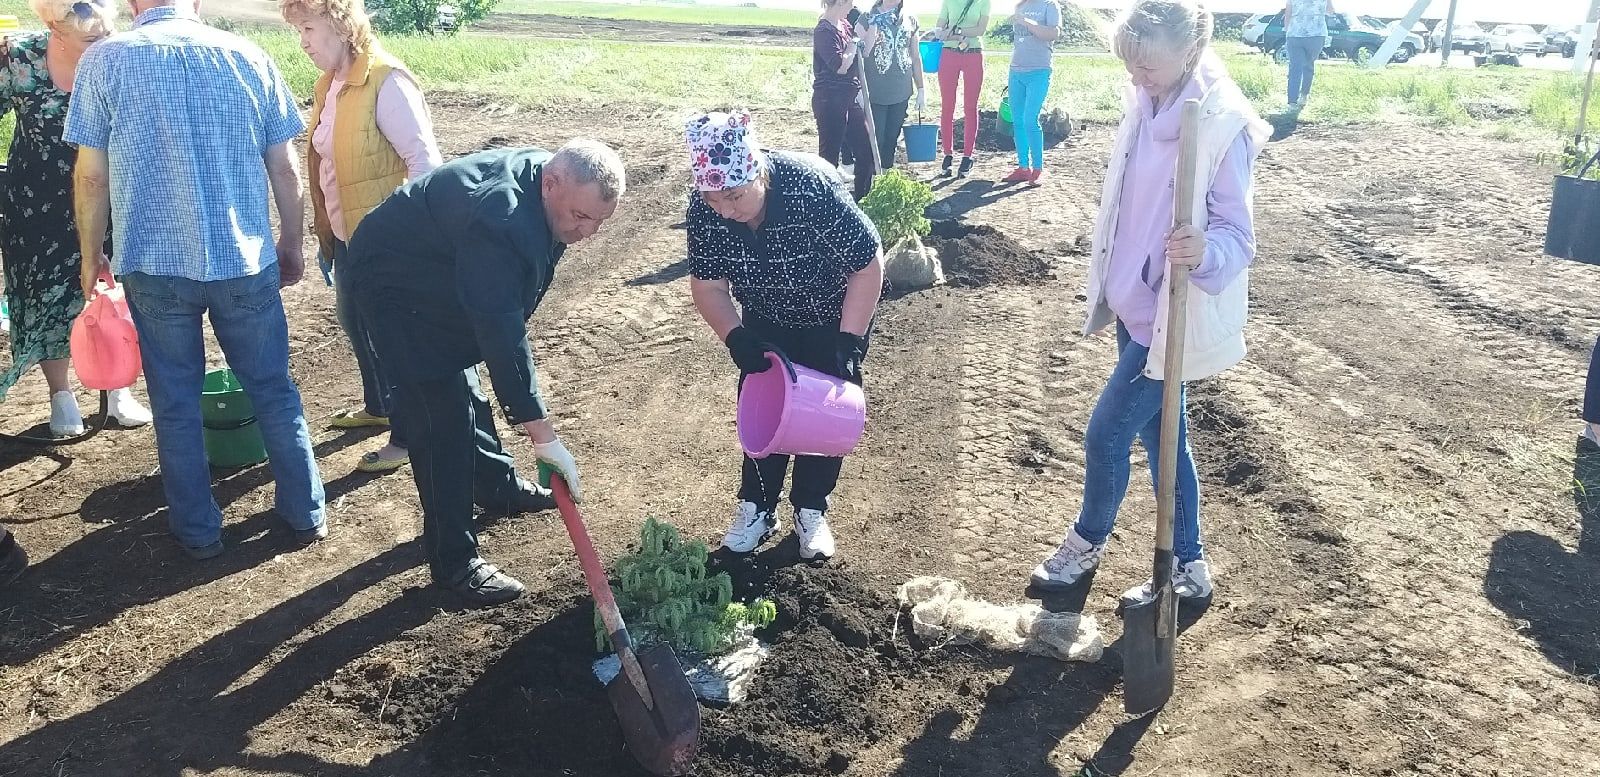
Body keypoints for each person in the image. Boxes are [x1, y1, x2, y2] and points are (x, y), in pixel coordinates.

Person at [65, 0, 327, 559]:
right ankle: (304, 513)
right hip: (243, 256)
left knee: (175, 401)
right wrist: (290, 242)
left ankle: (198, 532)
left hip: (153, 264)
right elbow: (284, 166)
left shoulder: (105, 61)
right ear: (198, 2)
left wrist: (91, 256)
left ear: (135, 4)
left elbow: (91, 175)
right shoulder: (248, 55)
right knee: (273, 389)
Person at [1028, 0, 1268, 603]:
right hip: (1134, 303)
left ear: (1188, 52)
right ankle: (1191, 566)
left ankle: (1085, 546)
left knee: (1106, 433)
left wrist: (1202, 249)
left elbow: (1239, 238)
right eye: (1130, 67)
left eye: (1147, 69)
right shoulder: (1147, 93)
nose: (1136, 79)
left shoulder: (1221, 121)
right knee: (1167, 438)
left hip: (1170, 315)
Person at [340, 141, 623, 606]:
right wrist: (544, 437)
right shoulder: (503, 221)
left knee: (466, 388)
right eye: (580, 216)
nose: (587, 231)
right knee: (442, 420)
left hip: (439, 266)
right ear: (550, 183)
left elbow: (495, 311)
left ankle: (495, 486)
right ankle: (455, 564)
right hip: (393, 285)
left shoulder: (548, 186)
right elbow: (500, 328)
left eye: (598, 221)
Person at [683, 110, 884, 561]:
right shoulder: (705, 212)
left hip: (831, 319)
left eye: (734, 196)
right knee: (764, 417)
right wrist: (735, 336)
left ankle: (811, 510)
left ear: (757, 171)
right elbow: (709, 286)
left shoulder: (810, 190)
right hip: (765, 321)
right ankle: (757, 508)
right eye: (714, 200)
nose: (725, 210)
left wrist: (848, 343)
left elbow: (867, 265)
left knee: (826, 417)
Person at [280, 0, 443, 474]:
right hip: (348, 238)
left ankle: (407, 437)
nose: (303, 41)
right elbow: (327, 163)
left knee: (393, 340)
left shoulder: (387, 81)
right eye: (298, 31)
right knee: (356, 324)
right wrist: (328, 234)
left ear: (339, 23)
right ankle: (379, 406)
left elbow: (425, 166)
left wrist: (402, 239)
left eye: (308, 28)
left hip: (387, 246)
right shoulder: (328, 84)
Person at [0, 0, 152, 435]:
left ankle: (118, 387)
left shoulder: (115, 60)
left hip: (107, 195)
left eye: (106, 35)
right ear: (55, 31)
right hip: (34, 206)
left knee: (112, 290)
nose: (102, 45)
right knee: (45, 298)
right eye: (91, 39)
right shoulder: (19, 59)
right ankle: (60, 397)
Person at [813, 0, 875, 200]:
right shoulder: (824, 31)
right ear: (840, 2)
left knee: (866, 152)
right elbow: (840, 66)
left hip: (849, 98)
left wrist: (871, 30)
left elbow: (863, 52)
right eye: (850, 2)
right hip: (830, 100)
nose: (853, 6)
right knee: (829, 158)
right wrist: (854, 43)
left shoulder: (845, 25)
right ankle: (826, 203)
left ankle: (862, 201)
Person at [857, 0, 925, 170]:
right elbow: (858, 53)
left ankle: (886, 175)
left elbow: (915, 57)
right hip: (875, 92)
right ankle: (871, 178)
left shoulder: (910, 20)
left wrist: (921, 88)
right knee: (875, 138)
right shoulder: (867, 18)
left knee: (892, 138)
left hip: (901, 90)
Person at [1003, 0, 1059, 186]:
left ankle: (1037, 168)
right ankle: (1023, 167)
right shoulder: (1020, 5)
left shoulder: (1050, 6)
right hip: (1016, 71)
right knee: (1017, 120)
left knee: (1029, 119)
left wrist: (1026, 21)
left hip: (1039, 71)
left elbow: (1053, 33)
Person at [934, 0, 989, 178]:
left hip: (974, 54)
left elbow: (980, 30)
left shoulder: (983, 1)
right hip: (949, 54)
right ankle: (948, 154)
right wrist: (959, 36)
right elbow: (939, 31)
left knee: (970, 107)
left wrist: (956, 31)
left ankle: (967, 156)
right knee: (947, 106)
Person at [1282, 0, 1333, 108]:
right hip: (1316, 35)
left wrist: (1287, 32)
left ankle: (1292, 102)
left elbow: (1288, 14)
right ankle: (1304, 95)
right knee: (1308, 64)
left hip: (1294, 34)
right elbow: (1330, 11)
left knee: (1295, 68)